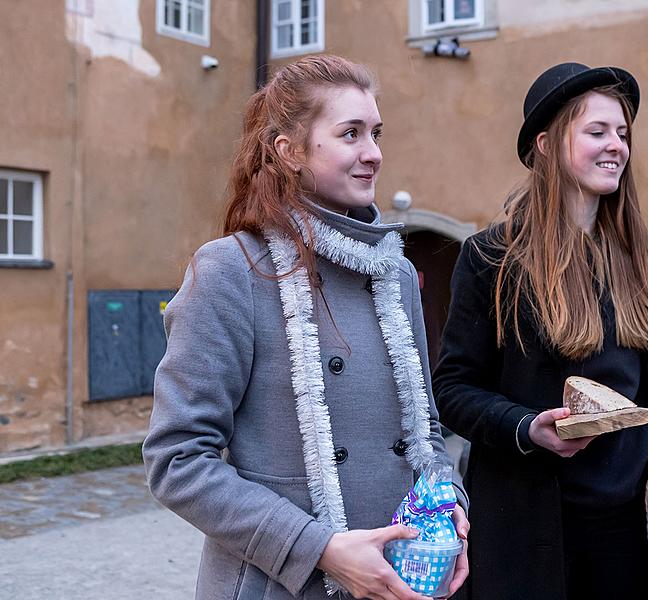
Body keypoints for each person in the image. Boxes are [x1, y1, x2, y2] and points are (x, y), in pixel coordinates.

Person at [142, 55, 468, 600]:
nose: (374, 154)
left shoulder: (397, 275)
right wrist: (320, 549)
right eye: (350, 134)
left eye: (376, 133)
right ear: (288, 151)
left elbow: (425, 432)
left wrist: (449, 503)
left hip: (402, 580)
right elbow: (178, 459)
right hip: (280, 585)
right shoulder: (231, 269)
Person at [432, 63, 648, 600]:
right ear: (546, 144)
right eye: (597, 132)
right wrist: (527, 426)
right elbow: (451, 389)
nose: (616, 146)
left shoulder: (639, 262)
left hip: (625, 528)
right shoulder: (493, 260)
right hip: (527, 525)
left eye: (623, 133)